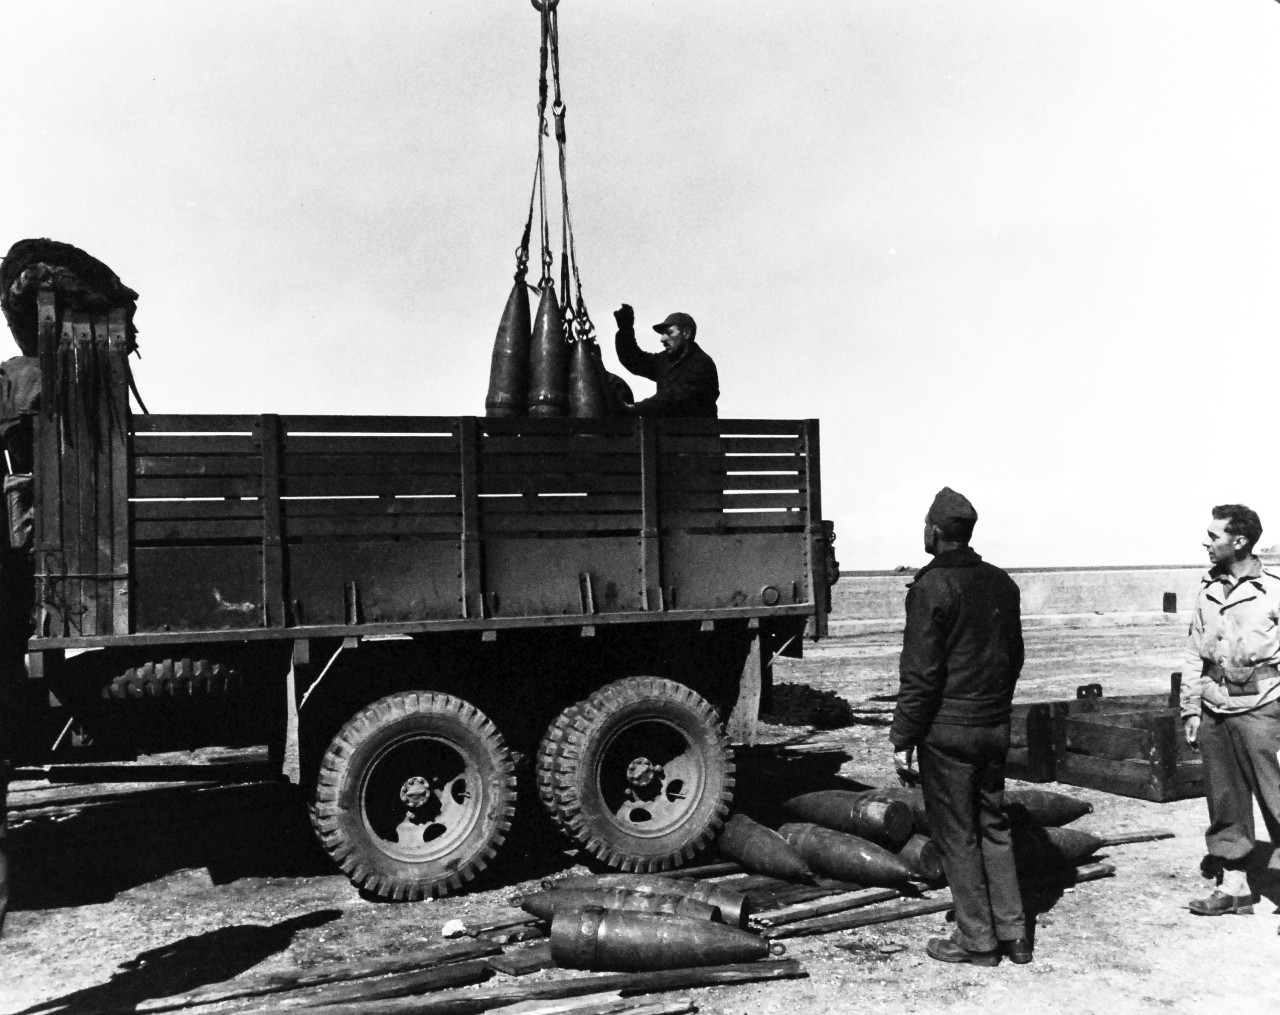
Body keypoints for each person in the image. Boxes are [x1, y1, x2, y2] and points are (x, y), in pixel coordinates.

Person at [890, 487, 1030, 966]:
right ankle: (1015, 935)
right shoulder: (1002, 583)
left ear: (933, 532)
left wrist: (902, 736)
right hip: (993, 724)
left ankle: (977, 941)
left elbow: (921, 674)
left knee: (958, 835)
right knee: (995, 824)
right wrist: (994, 707)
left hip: (949, 732)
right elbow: (1015, 658)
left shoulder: (931, 587)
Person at [1181, 504, 1280, 921]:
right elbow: (1193, 652)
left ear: (1239, 541)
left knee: (1276, 799)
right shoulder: (1207, 587)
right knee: (1225, 802)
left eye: (1213, 536)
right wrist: (1191, 708)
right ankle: (1235, 885)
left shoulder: (1274, 589)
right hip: (1215, 709)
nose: (1206, 542)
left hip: (1262, 707)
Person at [612, 305, 718, 418]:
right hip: (669, 433)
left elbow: (673, 399)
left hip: (695, 434)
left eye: (668, 332)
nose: (662, 339)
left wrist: (635, 408)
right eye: (662, 334)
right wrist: (625, 329)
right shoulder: (664, 361)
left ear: (686, 333)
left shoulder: (702, 364)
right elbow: (634, 360)